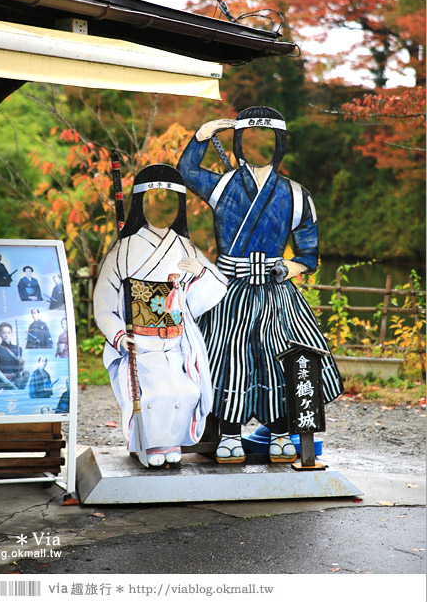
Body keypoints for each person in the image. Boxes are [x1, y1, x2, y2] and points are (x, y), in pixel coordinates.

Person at [178, 106, 344, 464]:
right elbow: (186, 172)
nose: (258, 146)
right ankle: (228, 434)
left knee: (281, 357)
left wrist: (287, 268)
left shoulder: (296, 194)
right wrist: (202, 136)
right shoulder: (222, 186)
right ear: (238, 143)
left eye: (267, 140)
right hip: (230, 288)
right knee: (224, 358)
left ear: (280, 144)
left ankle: (281, 433)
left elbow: (308, 254)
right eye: (250, 139)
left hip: (274, 291)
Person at [94, 164, 227, 468]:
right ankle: (149, 446)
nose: (162, 206)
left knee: (186, 391)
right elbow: (103, 303)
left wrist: (201, 272)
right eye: (155, 198)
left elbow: (215, 287)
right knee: (156, 394)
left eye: (170, 200)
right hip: (141, 341)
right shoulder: (123, 249)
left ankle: (171, 442)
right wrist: (118, 334)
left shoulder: (184, 246)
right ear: (142, 203)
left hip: (175, 339)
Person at [0, 322, 29, 390]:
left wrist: (21, 362)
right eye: (4, 333)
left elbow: (20, 370)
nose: (6, 335)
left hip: (16, 382)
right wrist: (11, 386)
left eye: (9, 332)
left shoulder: (18, 349)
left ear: (12, 334)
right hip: (1, 383)